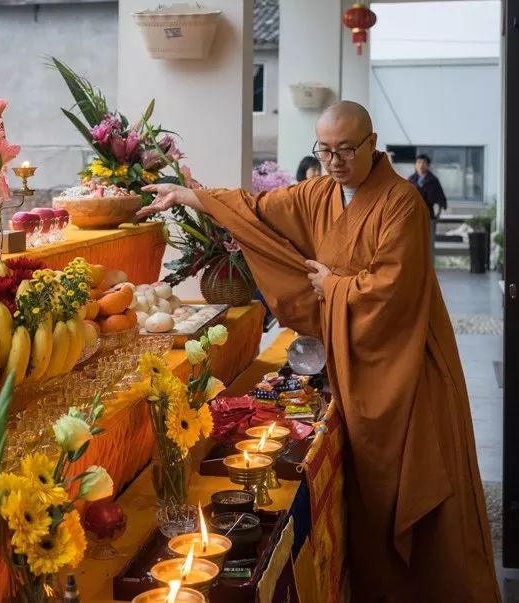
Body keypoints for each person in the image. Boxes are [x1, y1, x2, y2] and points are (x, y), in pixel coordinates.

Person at [138, 102, 499, 602]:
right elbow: (257, 209)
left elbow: (391, 290)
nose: (334, 161)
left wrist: (333, 285)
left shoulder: (402, 204)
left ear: (372, 144)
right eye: (324, 150)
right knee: (371, 502)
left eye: (346, 150)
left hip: (407, 366)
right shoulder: (319, 195)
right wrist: (190, 195)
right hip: (356, 362)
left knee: (415, 489)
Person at [408, 154, 448, 257]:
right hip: (413, 216)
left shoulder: (433, 180)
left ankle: (430, 268)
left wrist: (438, 214)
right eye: (419, 162)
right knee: (413, 243)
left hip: (429, 215)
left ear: (428, 165)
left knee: (429, 243)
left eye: (424, 163)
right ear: (415, 165)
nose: (421, 165)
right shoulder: (411, 180)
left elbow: (440, 198)